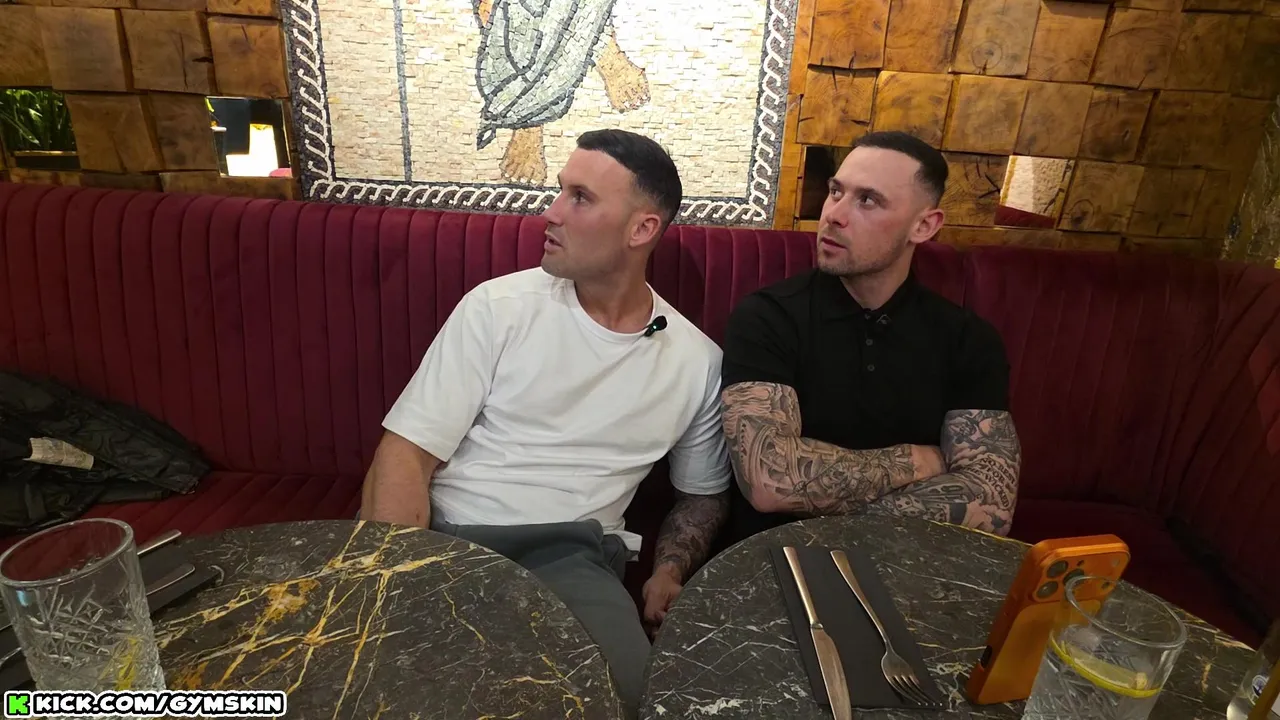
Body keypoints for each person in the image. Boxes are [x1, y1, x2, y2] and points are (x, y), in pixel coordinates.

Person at [359, 129, 731, 717]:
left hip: (573, 556)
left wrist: (668, 570)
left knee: (632, 701)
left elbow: (702, 493)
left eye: (579, 198)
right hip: (453, 535)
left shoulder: (696, 360)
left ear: (641, 230)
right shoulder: (498, 308)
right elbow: (407, 451)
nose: (550, 212)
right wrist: (393, 573)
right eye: (560, 191)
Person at [719, 130, 1022, 542]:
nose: (834, 215)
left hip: (907, 556)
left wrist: (837, 516)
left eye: (867, 200)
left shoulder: (968, 339)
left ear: (924, 226)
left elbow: (992, 502)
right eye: (835, 191)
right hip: (776, 554)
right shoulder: (768, 317)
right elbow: (769, 481)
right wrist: (918, 461)